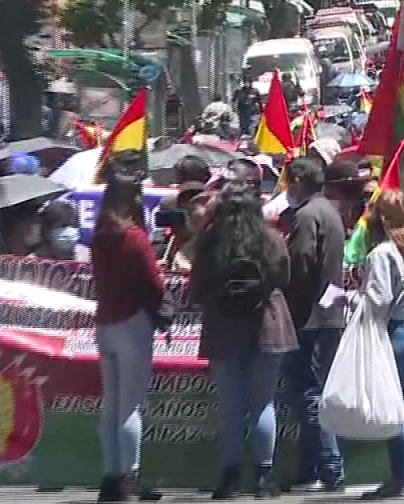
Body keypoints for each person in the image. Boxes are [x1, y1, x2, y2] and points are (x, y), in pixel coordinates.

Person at [191, 182, 296, 500]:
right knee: (263, 403)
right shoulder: (271, 239)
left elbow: (197, 289)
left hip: (223, 327)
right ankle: (264, 478)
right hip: (267, 324)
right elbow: (284, 278)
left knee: (231, 407)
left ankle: (229, 477)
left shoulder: (211, 240)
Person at [92, 172, 169, 503]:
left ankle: (111, 478)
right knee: (131, 406)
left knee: (111, 406)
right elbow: (154, 283)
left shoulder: (98, 236)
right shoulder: (135, 238)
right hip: (133, 322)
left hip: (106, 322)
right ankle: (130, 478)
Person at [358, 190, 404, 500]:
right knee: (398, 410)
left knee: (392, 412)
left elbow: (378, 300)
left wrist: (351, 302)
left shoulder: (382, 253)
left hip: (394, 332)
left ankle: (400, 481)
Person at [280, 157, 348, 492]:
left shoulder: (307, 215)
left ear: (296, 180)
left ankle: (326, 468)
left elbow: (301, 263)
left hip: (309, 316)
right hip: (327, 315)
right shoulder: (331, 212)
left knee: (310, 394)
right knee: (318, 392)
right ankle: (316, 468)